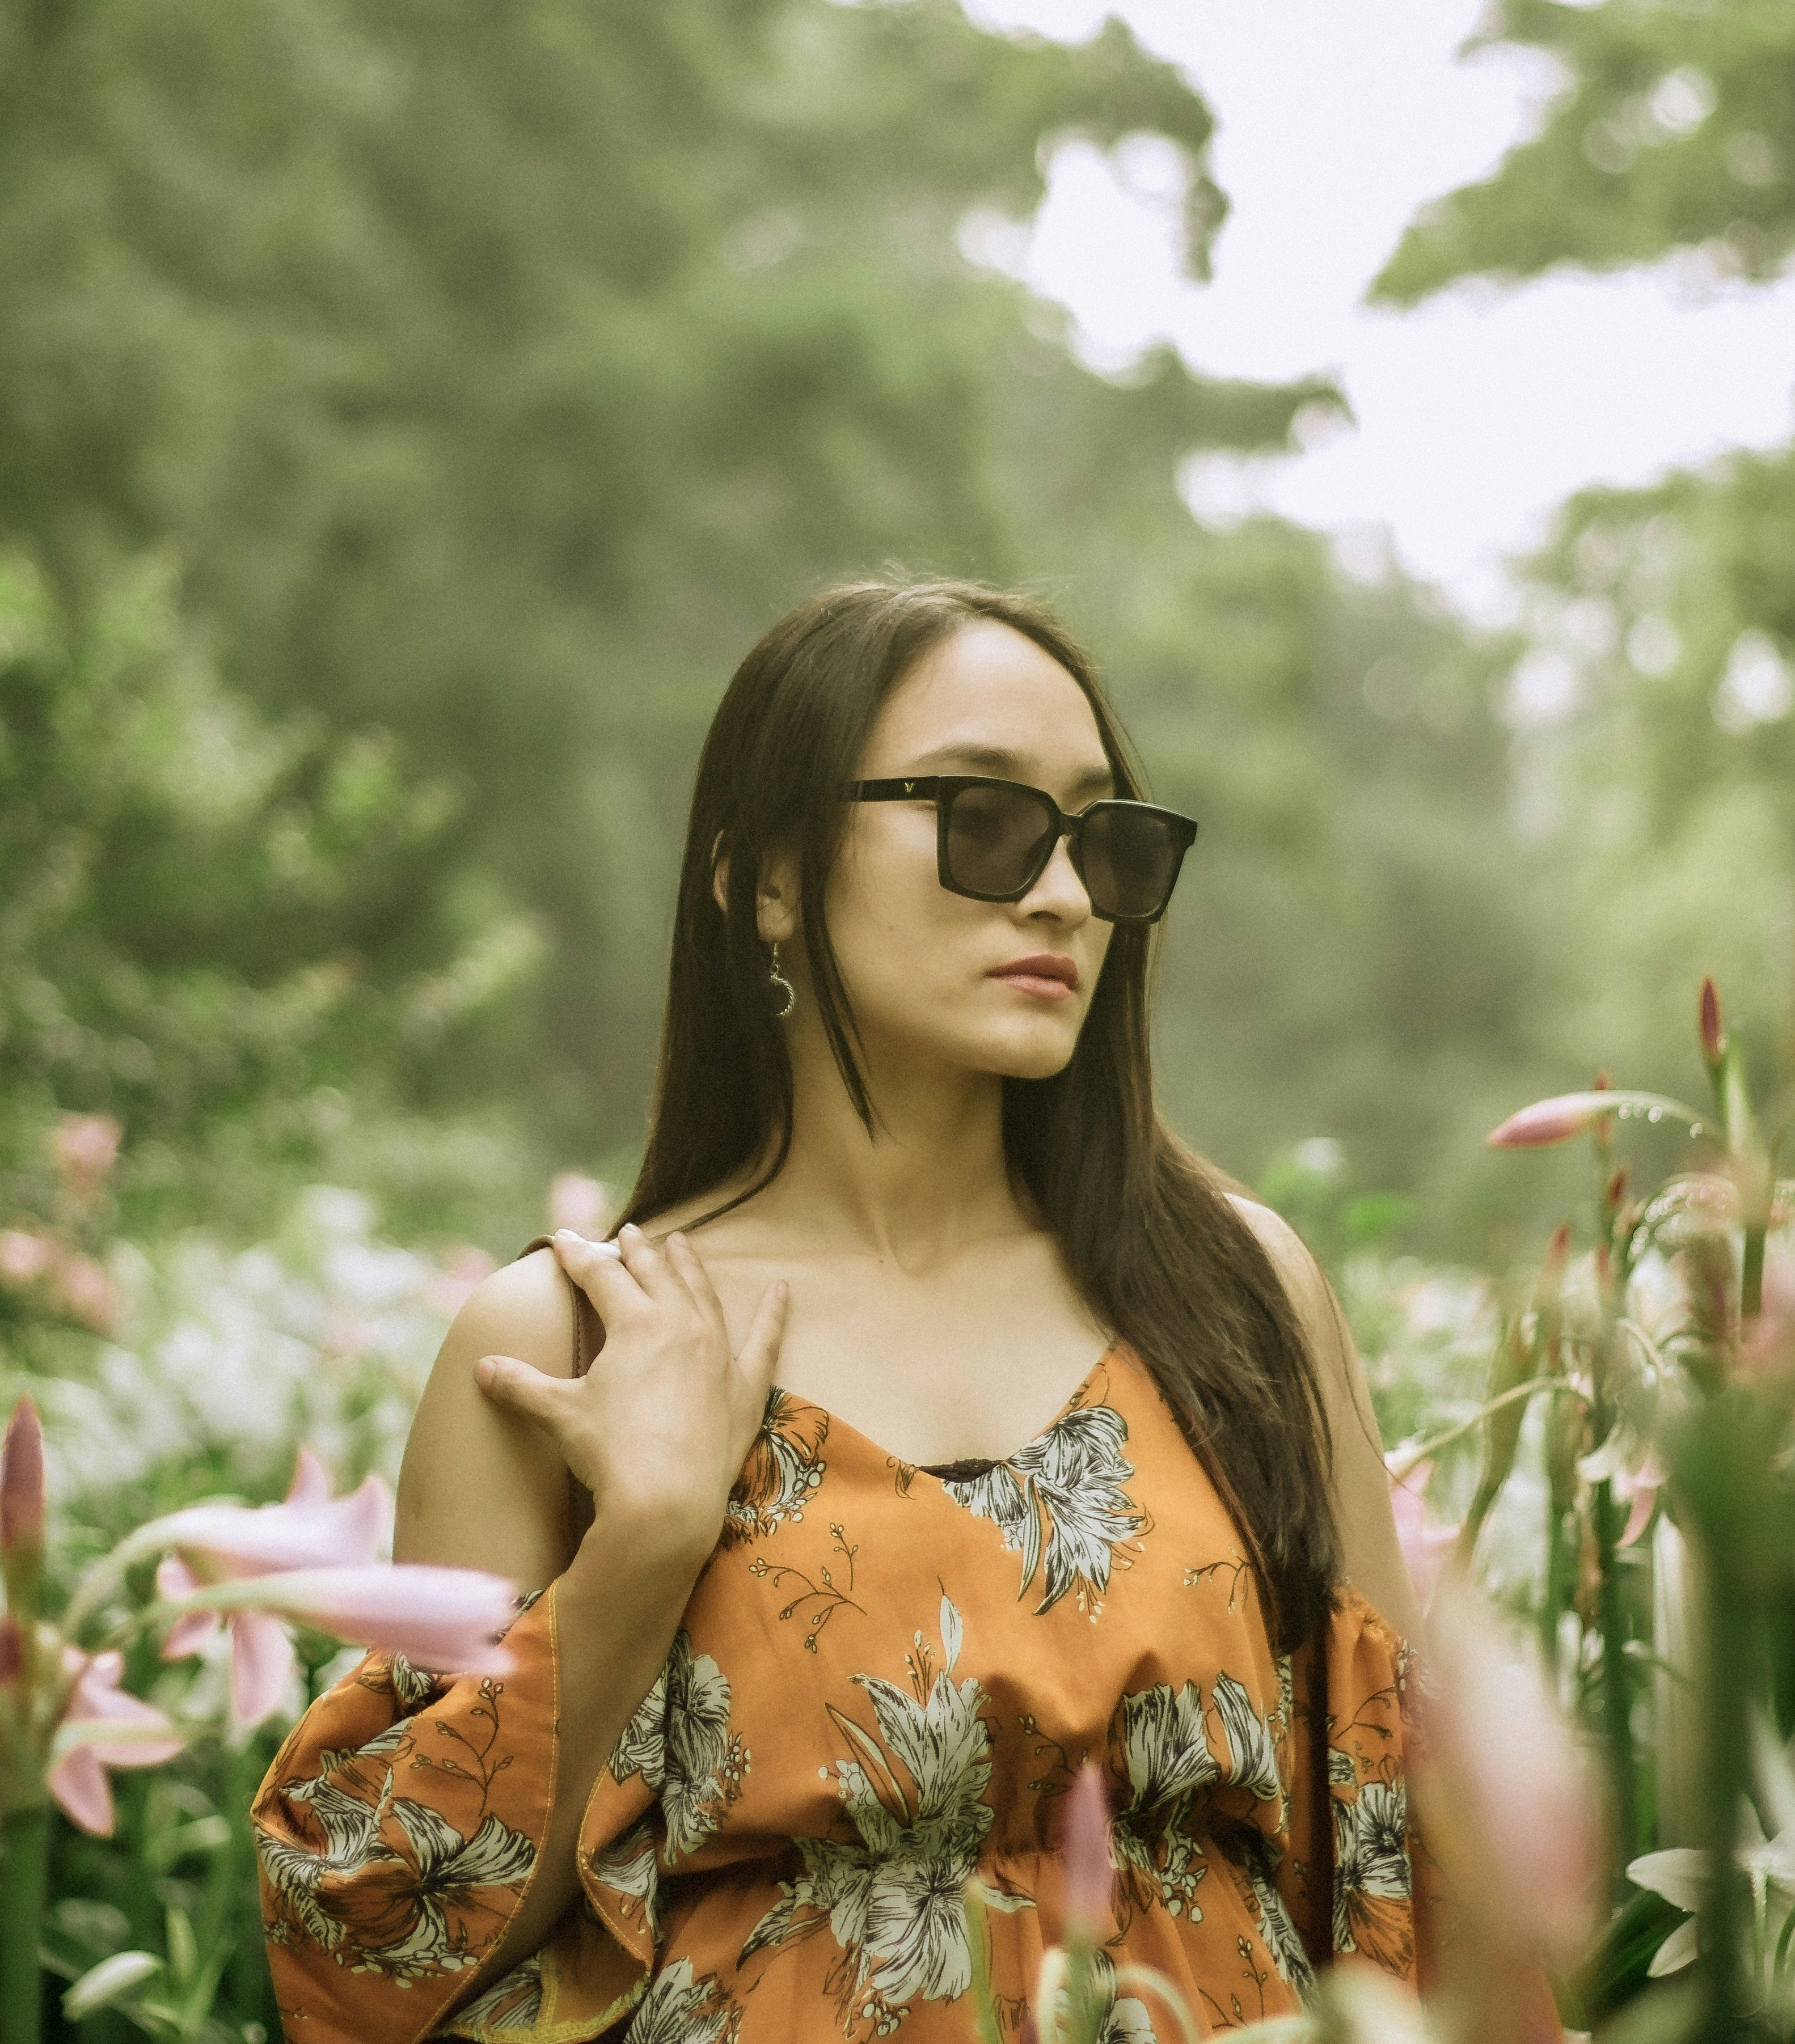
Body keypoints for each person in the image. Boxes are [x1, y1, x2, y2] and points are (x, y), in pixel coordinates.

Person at [254, 579, 1428, 2041]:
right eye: (987, 823)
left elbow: (1400, 1855)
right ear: (766, 876)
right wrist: (643, 1553)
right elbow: (382, 1953)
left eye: (1105, 840)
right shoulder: (570, 1345)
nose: (1063, 895)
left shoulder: (1239, 1298)